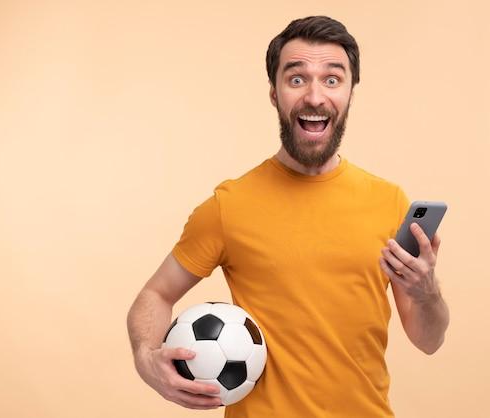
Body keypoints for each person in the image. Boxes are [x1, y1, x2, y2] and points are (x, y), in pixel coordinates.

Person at [127, 15, 450, 418]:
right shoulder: (230, 206)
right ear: (274, 93)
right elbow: (154, 295)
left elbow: (429, 340)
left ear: (350, 92)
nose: (315, 96)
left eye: (332, 79)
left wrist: (427, 291)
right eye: (296, 79)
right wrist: (146, 358)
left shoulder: (389, 202)